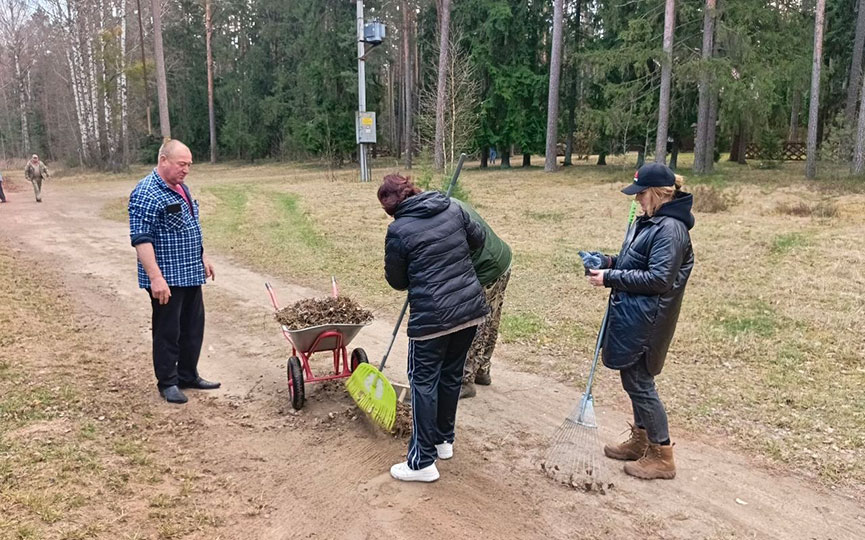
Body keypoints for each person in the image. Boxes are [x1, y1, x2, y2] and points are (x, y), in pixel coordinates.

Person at [581, 162, 694, 480]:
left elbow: (659, 278)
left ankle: (662, 454)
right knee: (632, 380)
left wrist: (609, 277)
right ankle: (640, 440)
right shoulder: (649, 221)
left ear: (658, 193)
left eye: (640, 194)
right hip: (634, 314)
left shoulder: (670, 230)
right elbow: (635, 262)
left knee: (641, 383)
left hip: (649, 321)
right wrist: (606, 262)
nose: (636, 200)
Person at [379, 174, 488, 482]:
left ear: (391, 206)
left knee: (423, 382)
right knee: (451, 375)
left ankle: (422, 462)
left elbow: (397, 281)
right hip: (469, 310)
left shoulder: (398, 231)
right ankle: (443, 441)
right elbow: (478, 240)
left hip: (432, 320)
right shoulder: (452, 207)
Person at [128, 140, 220, 404]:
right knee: (168, 331)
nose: (186, 170)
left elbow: (190, 226)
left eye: (189, 165)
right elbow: (141, 238)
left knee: (193, 328)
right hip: (167, 278)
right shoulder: (146, 192)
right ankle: (168, 382)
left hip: (190, 273)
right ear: (163, 160)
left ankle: (188, 375)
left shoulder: (181, 188)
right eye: (182, 164)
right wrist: (156, 278)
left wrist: (202, 257)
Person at [452, 198, 512, 399]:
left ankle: (465, 380)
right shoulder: (449, 203)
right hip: (502, 259)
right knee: (491, 318)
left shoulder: (443, 221)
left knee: (476, 322)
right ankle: (482, 370)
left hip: (488, 266)